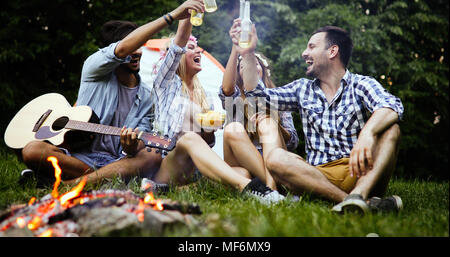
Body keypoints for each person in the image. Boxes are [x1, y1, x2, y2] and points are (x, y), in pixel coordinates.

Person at [20, 0, 206, 185]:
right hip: (79, 159)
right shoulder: (93, 70)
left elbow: (141, 137)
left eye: (139, 47)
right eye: (132, 47)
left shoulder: (147, 96)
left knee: (152, 156)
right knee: (32, 150)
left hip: (117, 162)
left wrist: (132, 145)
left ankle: (68, 184)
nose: (137, 52)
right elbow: (122, 48)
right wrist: (172, 15)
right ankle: (101, 179)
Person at [234, 24, 404, 214]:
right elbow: (258, 97)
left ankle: (359, 194)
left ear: (332, 51)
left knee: (392, 129)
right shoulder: (302, 89)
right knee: (275, 158)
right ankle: (353, 202)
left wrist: (368, 134)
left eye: (312, 47)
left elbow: (392, 106)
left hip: (363, 171)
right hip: (317, 176)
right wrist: (248, 53)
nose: (304, 53)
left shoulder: (362, 84)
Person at [149, 16, 286, 204]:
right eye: (191, 48)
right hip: (171, 164)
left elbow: (209, 144)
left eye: (197, 47)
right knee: (189, 138)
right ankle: (251, 189)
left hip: (195, 171)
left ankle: (171, 190)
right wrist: (188, 13)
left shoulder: (204, 95)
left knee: (241, 172)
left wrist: (209, 131)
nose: (198, 50)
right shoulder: (165, 84)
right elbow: (176, 47)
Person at [219, 18, 299, 191]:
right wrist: (235, 47)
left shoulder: (277, 97)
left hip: (273, 159)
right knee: (232, 129)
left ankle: (269, 189)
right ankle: (277, 189)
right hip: (242, 160)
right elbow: (226, 88)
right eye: (243, 66)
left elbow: (293, 142)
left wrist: (272, 123)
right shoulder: (236, 99)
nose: (250, 67)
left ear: (262, 69)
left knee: (267, 124)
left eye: (255, 63)